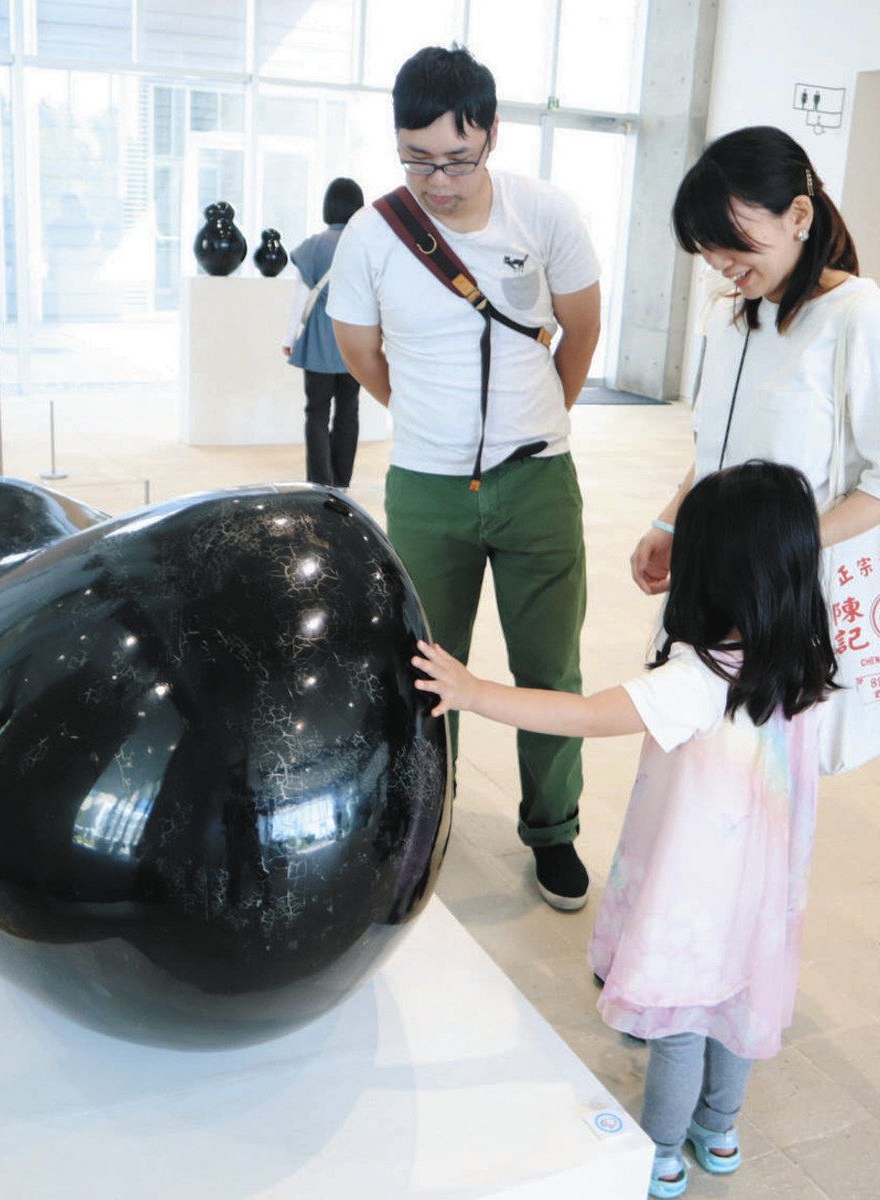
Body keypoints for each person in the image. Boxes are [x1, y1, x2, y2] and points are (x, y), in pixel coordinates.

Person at [411, 461, 839, 1198]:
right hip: (761, 895)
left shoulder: (697, 682)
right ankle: (720, 1131)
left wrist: (475, 693)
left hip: (692, 897)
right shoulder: (803, 662)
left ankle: (664, 1154)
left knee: (678, 1024)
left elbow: (580, 715)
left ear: (712, 574)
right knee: (734, 1009)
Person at [328, 45, 603, 910]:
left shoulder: (545, 215)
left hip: (538, 486)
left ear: (491, 133)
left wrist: (538, 420)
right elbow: (361, 354)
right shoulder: (373, 234)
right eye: (415, 159)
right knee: (421, 672)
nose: (436, 180)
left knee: (549, 669)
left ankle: (553, 831)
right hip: (426, 489)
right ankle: (418, 822)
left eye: (454, 159)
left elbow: (580, 331)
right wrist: (432, 428)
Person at [631, 125, 880, 597]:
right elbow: (722, 448)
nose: (717, 260)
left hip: (807, 594)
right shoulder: (731, 312)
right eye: (705, 244)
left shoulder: (864, 320)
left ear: (798, 214)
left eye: (729, 238)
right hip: (728, 578)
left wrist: (792, 549)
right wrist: (670, 524)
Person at [284, 177, 366, 488]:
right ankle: (342, 482)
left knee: (316, 412)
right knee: (349, 410)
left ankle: (320, 481)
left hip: (318, 341)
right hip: (354, 342)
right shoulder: (365, 245)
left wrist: (289, 339)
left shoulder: (312, 247)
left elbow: (300, 299)